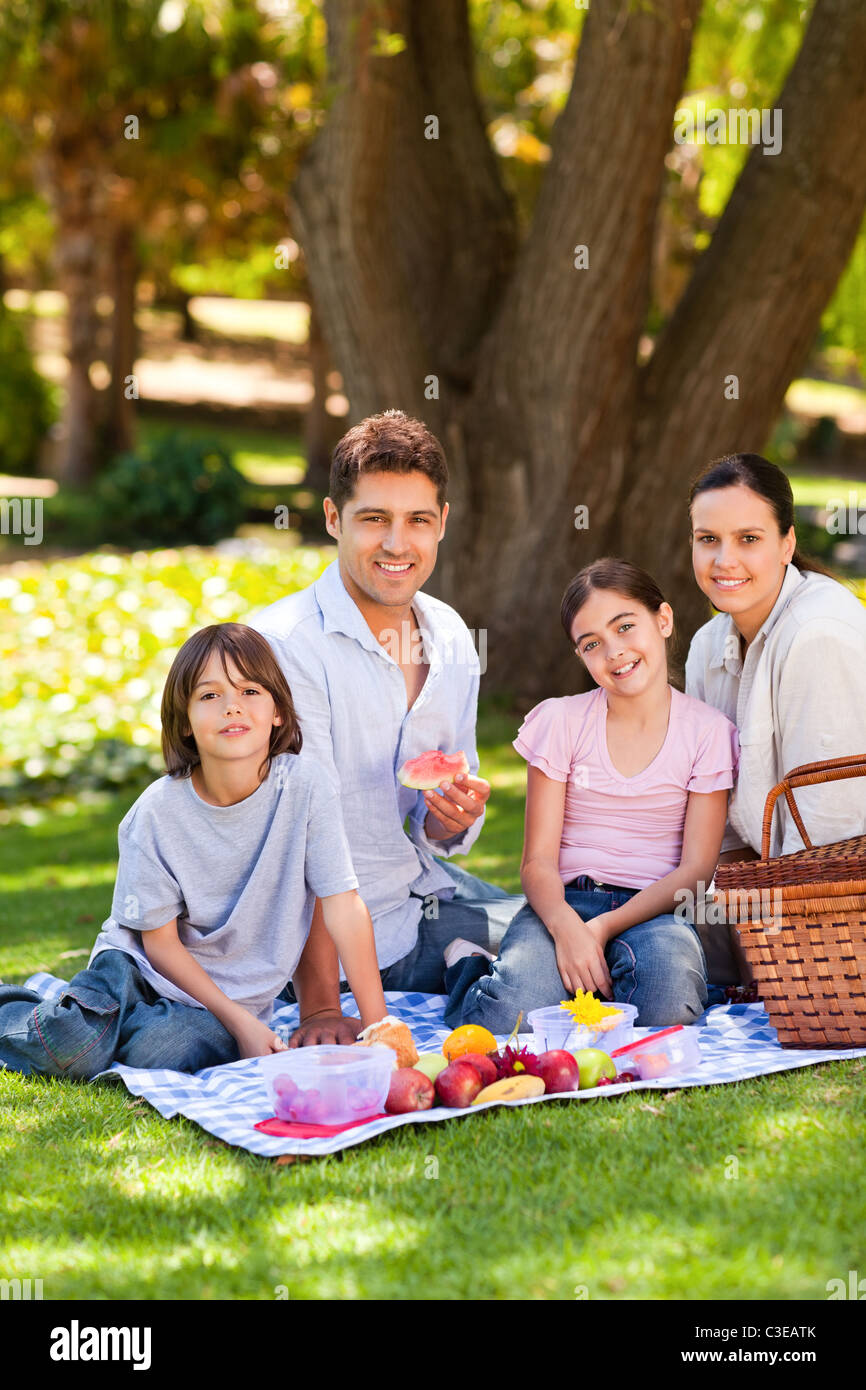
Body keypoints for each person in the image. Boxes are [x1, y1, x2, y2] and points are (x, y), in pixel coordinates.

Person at [0, 624, 387, 1079]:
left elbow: (343, 907)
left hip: (213, 1001)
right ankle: (38, 1010)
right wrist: (241, 1022)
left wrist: (381, 1026)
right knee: (68, 1046)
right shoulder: (157, 812)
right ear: (185, 721)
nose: (232, 705)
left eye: (249, 689)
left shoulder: (306, 787)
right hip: (137, 971)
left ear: (278, 711)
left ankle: (102, 1027)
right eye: (209, 696)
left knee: (171, 1051)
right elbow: (159, 944)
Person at [250, 410, 523, 1045]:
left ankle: (473, 968)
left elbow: (444, 809)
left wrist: (448, 818)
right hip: (347, 933)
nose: (398, 544)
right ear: (331, 519)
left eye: (418, 521)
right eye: (375, 519)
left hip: (421, 886)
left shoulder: (451, 634)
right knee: (548, 965)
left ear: (443, 523)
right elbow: (299, 840)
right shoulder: (286, 646)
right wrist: (319, 1008)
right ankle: (467, 976)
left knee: (577, 925)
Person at [444, 559, 739, 1031]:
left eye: (625, 626)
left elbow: (696, 870)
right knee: (509, 1017)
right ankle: (470, 969)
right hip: (564, 903)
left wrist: (602, 930)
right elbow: (536, 863)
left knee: (667, 1009)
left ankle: (615, 983)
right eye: (592, 644)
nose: (615, 652)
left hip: (654, 910)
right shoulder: (561, 721)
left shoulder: (707, 733)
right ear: (580, 656)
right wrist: (565, 927)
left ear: (663, 620)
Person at [685, 451, 866, 988]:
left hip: (826, 915)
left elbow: (832, 839)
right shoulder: (707, 643)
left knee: (612, 935)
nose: (724, 561)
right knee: (593, 914)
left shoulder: (818, 635)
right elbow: (708, 804)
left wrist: (759, 947)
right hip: (744, 895)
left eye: (748, 539)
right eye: (707, 539)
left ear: (787, 543)